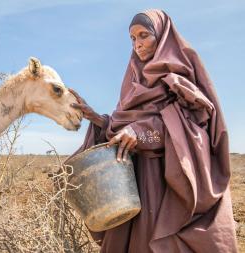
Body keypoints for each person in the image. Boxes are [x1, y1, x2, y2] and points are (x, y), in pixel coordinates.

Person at [69, 9, 238, 253]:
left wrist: (141, 131)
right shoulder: (133, 79)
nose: (137, 44)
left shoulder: (180, 72)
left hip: (167, 180)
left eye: (144, 35)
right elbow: (124, 122)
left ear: (162, 35)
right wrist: (98, 119)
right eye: (132, 38)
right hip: (135, 182)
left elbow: (194, 124)